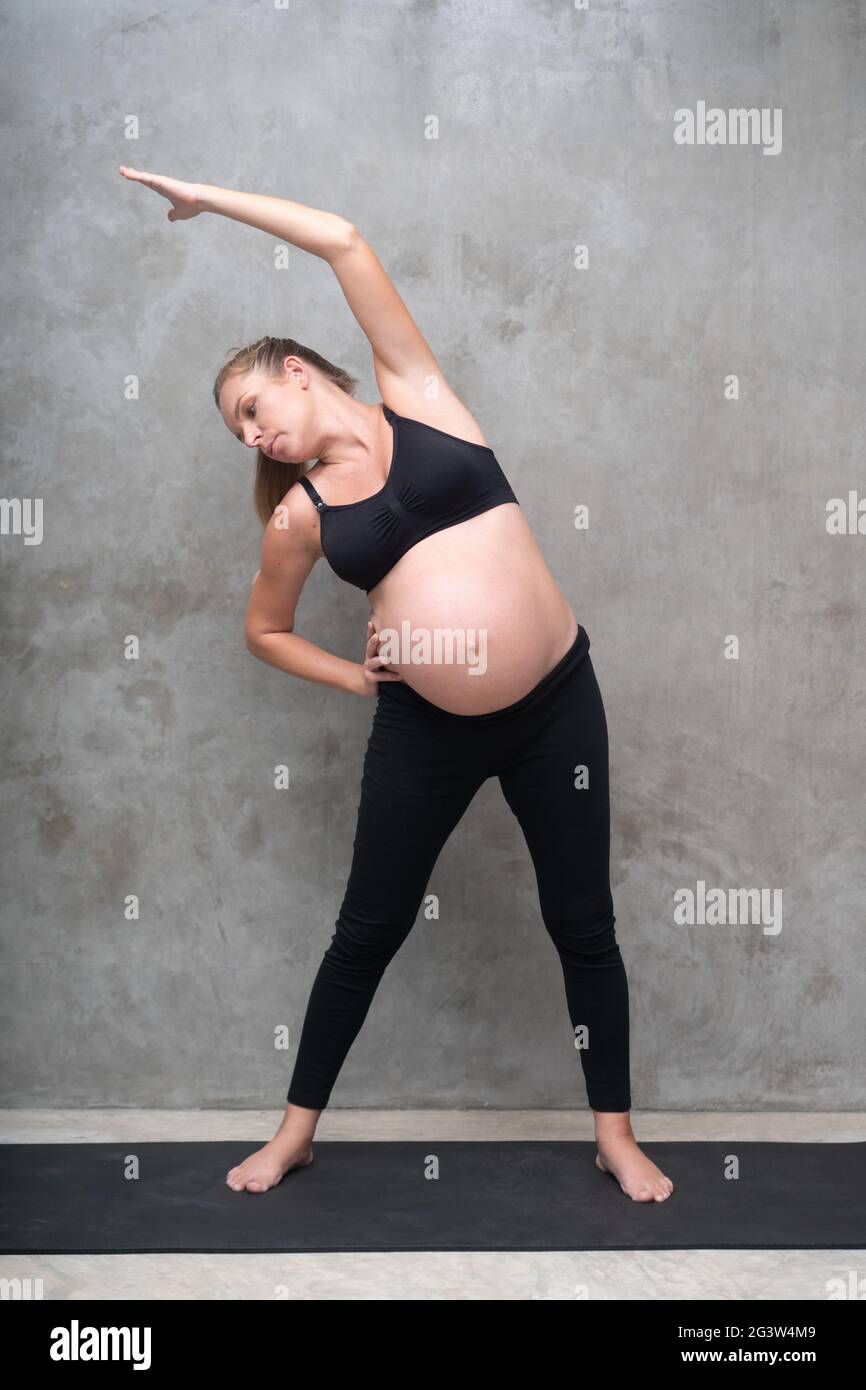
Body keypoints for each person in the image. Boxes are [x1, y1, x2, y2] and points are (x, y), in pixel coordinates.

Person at [118, 166, 674, 1203]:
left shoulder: (417, 393)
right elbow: (263, 631)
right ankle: (292, 1134)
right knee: (365, 928)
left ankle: (614, 1132)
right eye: (238, 432)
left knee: (581, 920)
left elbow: (339, 237)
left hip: (555, 702)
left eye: (251, 408)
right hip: (428, 727)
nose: (253, 436)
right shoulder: (300, 515)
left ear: (292, 370)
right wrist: (360, 679)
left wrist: (206, 197)